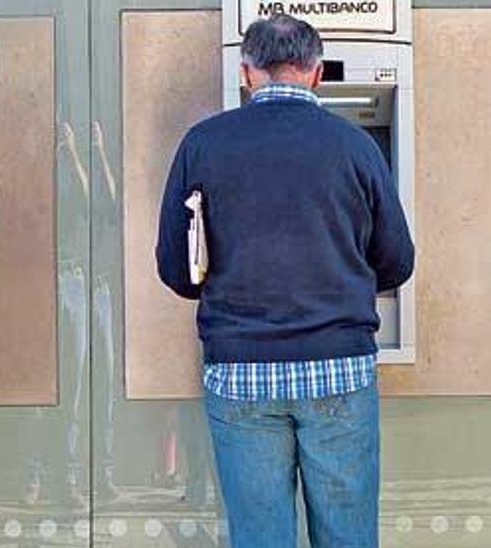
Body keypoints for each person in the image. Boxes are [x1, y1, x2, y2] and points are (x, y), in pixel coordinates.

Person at [155, 14, 414, 548]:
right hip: (339, 368)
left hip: (242, 373)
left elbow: (176, 269)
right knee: (347, 534)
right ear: (317, 73)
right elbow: (397, 261)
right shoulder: (357, 146)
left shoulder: (203, 145)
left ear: (247, 72)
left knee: (259, 536)